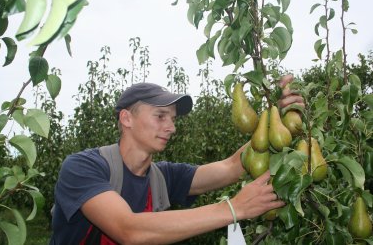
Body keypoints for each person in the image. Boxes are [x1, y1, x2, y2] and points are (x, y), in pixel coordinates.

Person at [50, 74, 304, 244]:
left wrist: (275, 117)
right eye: (160, 116)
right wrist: (234, 208)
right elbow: (127, 229)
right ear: (126, 119)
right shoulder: (83, 167)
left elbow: (231, 166)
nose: (171, 127)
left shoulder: (164, 176)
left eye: (172, 119)